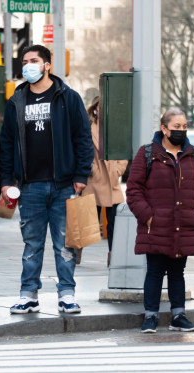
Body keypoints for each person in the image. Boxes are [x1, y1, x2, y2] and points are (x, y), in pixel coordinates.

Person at [0, 45, 93, 315]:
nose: (28, 65)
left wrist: (80, 175)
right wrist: (7, 180)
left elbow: (83, 138)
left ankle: (67, 293)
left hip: (64, 184)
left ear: (47, 65)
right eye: (25, 61)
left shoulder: (68, 98)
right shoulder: (17, 101)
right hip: (29, 186)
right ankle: (28, 294)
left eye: (34, 60)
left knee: (65, 243)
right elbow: (6, 143)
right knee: (32, 243)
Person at [126, 108, 194, 333]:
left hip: (184, 224)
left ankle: (178, 315)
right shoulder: (147, 153)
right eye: (177, 127)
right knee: (154, 271)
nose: (181, 131)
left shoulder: (193, 155)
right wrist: (147, 216)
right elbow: (134, 189)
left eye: (184, 127)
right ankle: (151, 316)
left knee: (177, 272)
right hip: (156, 225)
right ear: (164, 129)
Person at [82, 96, 128, 267]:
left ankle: (113, 256)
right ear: (95, 109)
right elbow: (82, 150)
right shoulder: (88, 128)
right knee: (85, 221)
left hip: (112, 181)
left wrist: (118, 170)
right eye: (101, 107)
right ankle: (77, 248)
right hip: (94, 179)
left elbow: (124, 152)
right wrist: (91, 169)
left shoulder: (117, 129)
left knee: (114, 223)